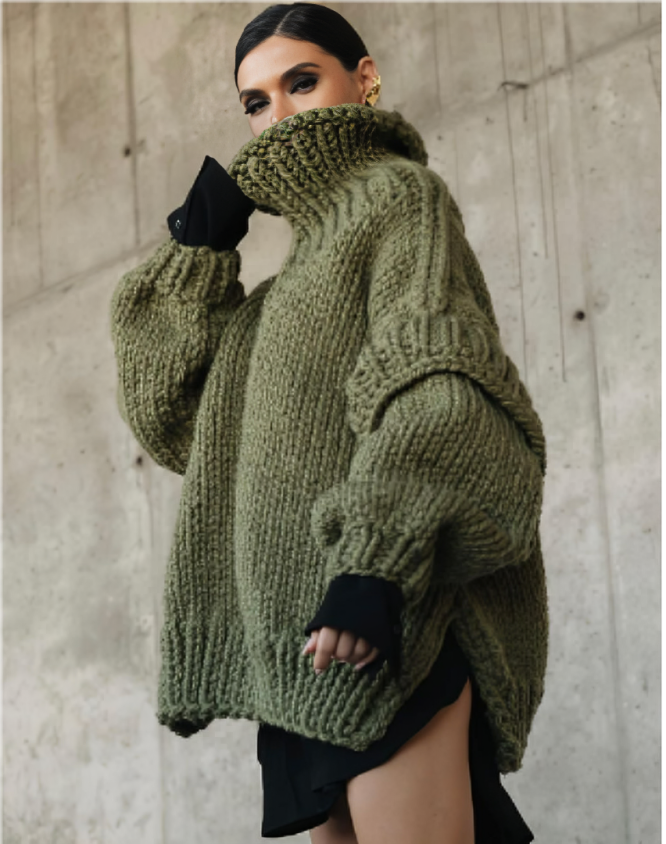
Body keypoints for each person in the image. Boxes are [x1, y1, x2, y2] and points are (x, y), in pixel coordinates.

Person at [109, 3, 549, 843]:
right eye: (257, 101)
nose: (278, 113)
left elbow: (438, 384)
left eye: (301, 82)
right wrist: (195, 253)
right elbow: (182, 425)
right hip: (300, 648)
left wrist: (373, 568)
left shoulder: (399, 200)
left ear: (365, 79)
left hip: (381, 613)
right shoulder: (280, 297)